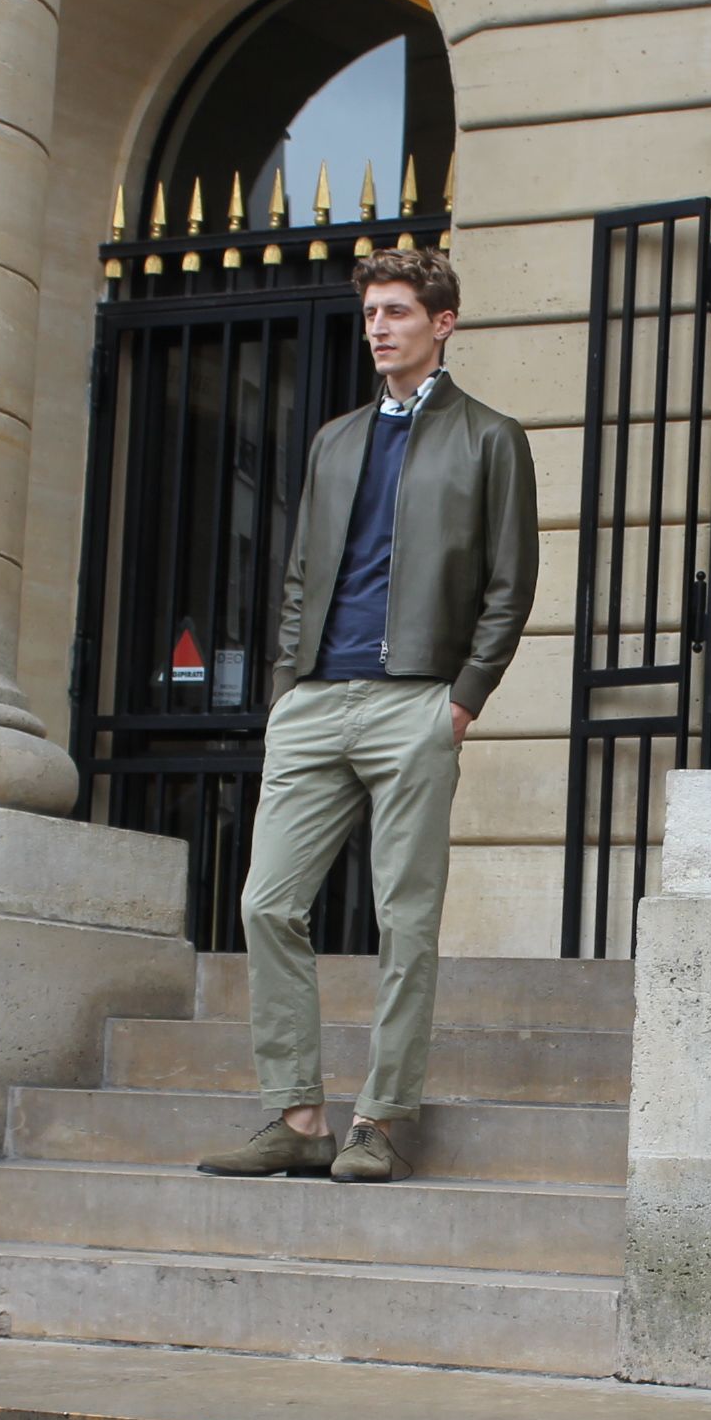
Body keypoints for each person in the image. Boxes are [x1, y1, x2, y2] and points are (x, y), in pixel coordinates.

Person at [198, 248, 538, 1186]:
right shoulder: (336, 440)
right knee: (267, 902)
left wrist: (462, 700)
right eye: (372, 313)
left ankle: (379, 1120)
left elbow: (510, 585)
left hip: (417, 702)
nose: (379, 327)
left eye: (398, 311)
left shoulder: (490, 438)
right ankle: (297, 1116)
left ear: (443, 322)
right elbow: (303, 575)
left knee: (405, 919)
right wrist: (287, 690)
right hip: (316, 700)